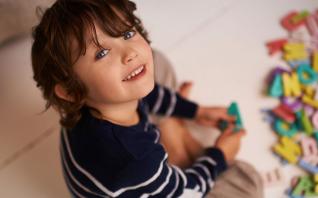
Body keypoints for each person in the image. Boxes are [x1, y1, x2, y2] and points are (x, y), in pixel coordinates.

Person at [31, 0, 263, 197]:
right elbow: (186, 192)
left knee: (154, 62)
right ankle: (178, 141)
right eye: (101, 53)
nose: (129, 52)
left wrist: (196, 111)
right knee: (248, 183)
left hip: (136, 165)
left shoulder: (90, 100)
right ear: (70, 91)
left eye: (128, 33)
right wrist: (220, 155)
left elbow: (147, 93)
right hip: (147, 182)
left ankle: (172, 131)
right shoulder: (137, 158)